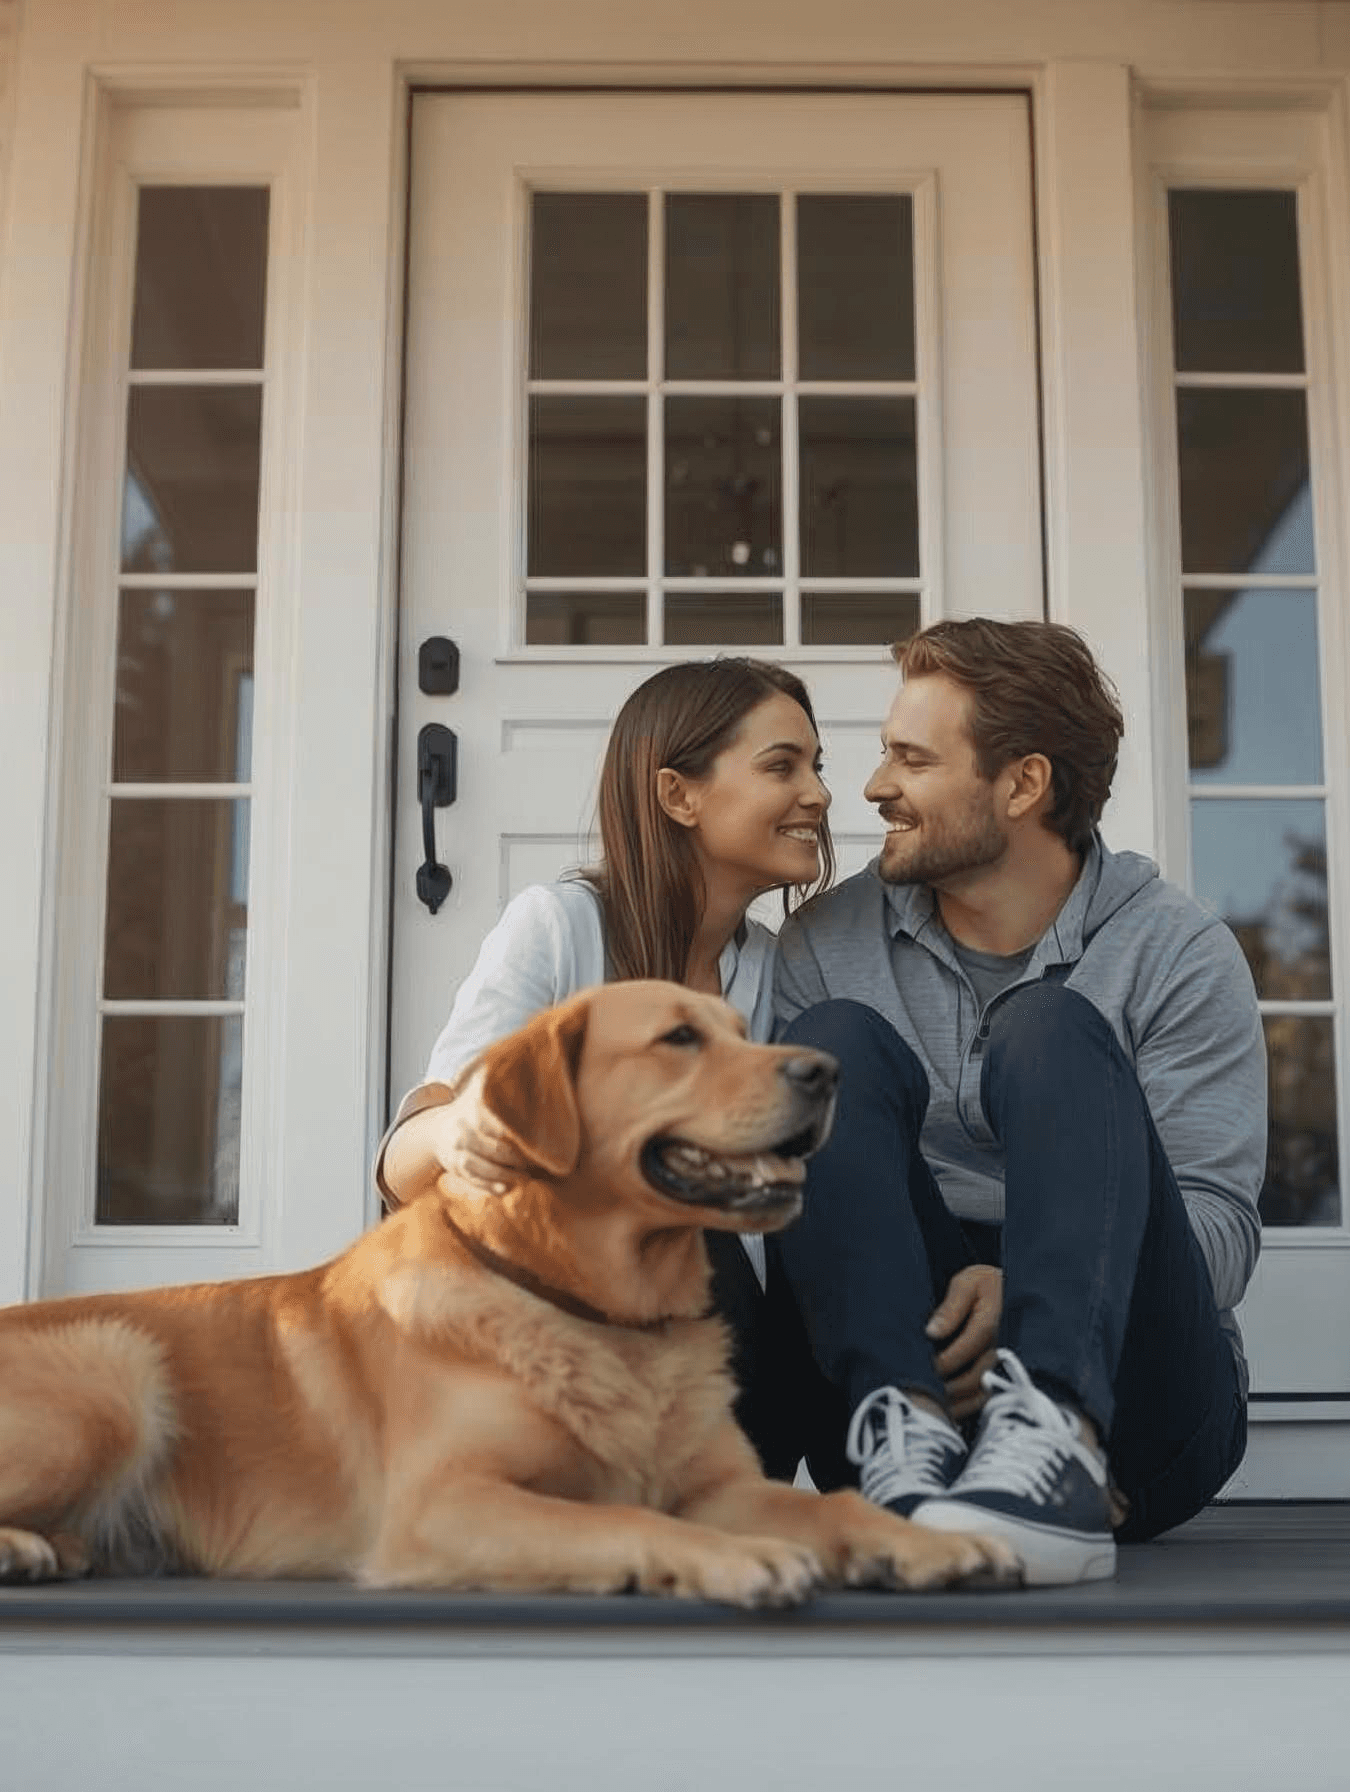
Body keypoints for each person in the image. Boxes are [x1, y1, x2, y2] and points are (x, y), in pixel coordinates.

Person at [752, 618, 1262, 1585]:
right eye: (884, 755)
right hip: (915, 1364)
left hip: (1136, 1423)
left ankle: (1056, 1440)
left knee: (1051, 1027)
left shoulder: (1176, 950)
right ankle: (903, 1456)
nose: (873, 787)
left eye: (913, 760)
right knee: (832, 1046)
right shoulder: (826, 943)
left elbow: (1220, 1234)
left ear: (1023, 784)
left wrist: (1037, 1289)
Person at [377, 657, 833, 1367]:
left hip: (737, 1333)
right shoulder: (560, 927)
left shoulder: (779, 966)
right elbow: (406, 1166)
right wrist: (455, 1129)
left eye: (816, 767)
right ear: (678, 795)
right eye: (782, 767)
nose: (819, 794)